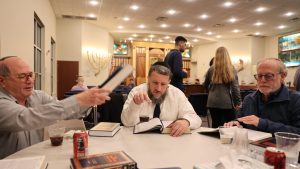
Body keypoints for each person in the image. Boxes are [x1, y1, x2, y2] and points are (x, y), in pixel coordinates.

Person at [0, 56, 111, 159]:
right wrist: (78, 100)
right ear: (2, 81)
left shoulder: (38, 96)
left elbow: (67, 112)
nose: (29, 80)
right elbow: (26, 117)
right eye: (22, 76)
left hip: (36, 162)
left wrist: (87, 103)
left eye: (30, 75)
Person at [121, 62, 201, 137]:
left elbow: (195, 118)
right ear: (148, 79)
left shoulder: (177, 94)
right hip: (139, 140)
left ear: (169, 82)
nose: (158, 89)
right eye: (155, 83)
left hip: (170, 142)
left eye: (163, 84)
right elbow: (127, 123)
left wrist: (186, 121)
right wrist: (135, 104)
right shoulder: (136, 91)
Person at [224, 58, 300, 134]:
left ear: (282, 76)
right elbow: (241, 121)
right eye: (259, 76)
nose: (262, 80)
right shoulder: (249, 99)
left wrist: (262, 123)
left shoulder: (296, 100)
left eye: (269, 76)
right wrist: (235, 123)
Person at [203, 47, 241, 128]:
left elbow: (205, 84)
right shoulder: (231, 69)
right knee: (230, 125)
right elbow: (235, 88)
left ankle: (214, 140)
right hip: (226, 102)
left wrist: (211, 91)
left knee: (216, 125)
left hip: (212, 102)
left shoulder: (211, 69)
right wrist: (238, 102)